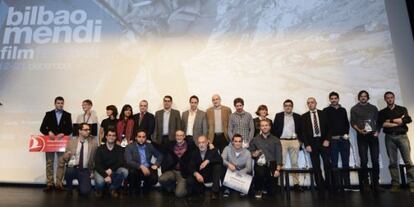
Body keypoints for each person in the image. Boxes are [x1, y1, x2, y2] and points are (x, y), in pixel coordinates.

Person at [378, 91, 414, 193]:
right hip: (389, 137)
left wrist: (390, 120)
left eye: (391, 97)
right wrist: (398, 121)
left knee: (408, 161)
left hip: (402, 136)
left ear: (394, 98)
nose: (390, 99)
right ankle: (395, 184)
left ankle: (412, 183)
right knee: (392, 162)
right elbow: (382, 124)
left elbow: (408, 119)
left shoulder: (402, 109)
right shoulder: (382, 112)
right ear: (385, 99)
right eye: (388, 98)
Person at [350, 90, 384, 192]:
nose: (363, 98)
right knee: (364, 161)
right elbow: (353, 122)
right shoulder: (354, 109)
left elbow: (378, 121)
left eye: (365, 96)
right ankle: (366, 183)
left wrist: (377, 131)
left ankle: (376, 183)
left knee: (375, 160)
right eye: (361, 96)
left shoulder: (373, 108)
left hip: (373, 136)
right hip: (362, 137)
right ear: (359, 98)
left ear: (368, 98)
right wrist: (359, 130)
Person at [39, 96, 73, 192]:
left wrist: (63, 133)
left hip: (61, 143)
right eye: (58, 103)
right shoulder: (48, 114)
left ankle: (59, 184)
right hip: (50, 142)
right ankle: (49, 184)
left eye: (62, 103)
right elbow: (42, 128)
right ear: (55, 104)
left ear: (63, 104)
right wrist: (48, 132)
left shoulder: (67, 115)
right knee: (49, 163)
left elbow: (70, 129)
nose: (60, 105)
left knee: (61, 163)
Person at [301, 97, 331, 196]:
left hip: (323, 142)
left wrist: (327, 139)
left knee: (327, 163)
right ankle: (320, 186)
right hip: (312, 143)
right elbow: (303, 132)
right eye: (308, 103)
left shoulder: (323, 114)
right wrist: (307, 144)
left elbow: (329, 128)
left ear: (316, 103)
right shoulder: (304, 116)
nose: (310, 104)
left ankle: (329, 184)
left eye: (312, 102)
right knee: (316, 166)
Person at [273, 99, 304, 192]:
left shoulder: (298, 116)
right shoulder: (278, 116)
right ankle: (279, 184)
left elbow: (302, 130)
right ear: (284, 107)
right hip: (282, 141)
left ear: (292, 106)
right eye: (286, 105)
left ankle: (296, 184)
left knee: (295, 163)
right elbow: (274, 129)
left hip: (294, 141)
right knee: (281, 163)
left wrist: (300, 141)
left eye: (289, 105)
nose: (288, 107)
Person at [323, 92, 351, 190]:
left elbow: (346, 123)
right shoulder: (326, 111)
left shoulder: (343, 110)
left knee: (346, 163)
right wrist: (329, 138)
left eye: (335, 98)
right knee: (334, 163)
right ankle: (337, 185)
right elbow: (325, 127)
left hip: (344, 139)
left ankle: (347, 185)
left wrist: (346, 134)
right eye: (332, 98)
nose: (334, 100)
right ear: (329, 100)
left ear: (338, 99)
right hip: (333, 140)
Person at [61, 123, 98, 197]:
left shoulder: (93, 143)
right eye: (86, 130)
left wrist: (93, 171)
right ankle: (69, 189)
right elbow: (64, 158)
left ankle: (81, 186)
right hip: (74, 168)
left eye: (89, 130)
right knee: (69, 171)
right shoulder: (71, 142)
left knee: (85, 192)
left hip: (85, 170)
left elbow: (95, 158)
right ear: (80, 131)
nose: (88, 131)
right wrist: (67, 155)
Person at [249, 119, 282, 199]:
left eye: (266, 125)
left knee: (272, 193)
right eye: (262, 125)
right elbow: (251, 152)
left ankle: (268, 187)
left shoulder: (276, 140)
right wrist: (254, 154)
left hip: (272, 164)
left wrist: (278, 169)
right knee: (260, 173)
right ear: (260, 127)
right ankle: (258, 189)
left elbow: (279, 155)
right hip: (260, 164)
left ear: (270, 127)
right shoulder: (255, 139)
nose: (264, 127)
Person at [159, 130, 196, 198]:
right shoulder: (170, 145)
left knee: (179, 194)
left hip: (183, 173)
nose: (179, 137)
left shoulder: (190, 146)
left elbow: (195, 157)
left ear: (184, 136)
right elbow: (160, 149)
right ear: (175, 136)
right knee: (161, 179)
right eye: (177, 135)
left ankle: (187, 189)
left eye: (181, 135)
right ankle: (172, 187)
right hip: (173, 170)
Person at [125, 129, 163, 194]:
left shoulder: (149, 146)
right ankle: (135, 188)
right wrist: (141, 166)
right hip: (136, 168)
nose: (141, 139)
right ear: (136, 137)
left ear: (145, 138)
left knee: (154, 179)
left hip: (147, 167)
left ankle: (146, 187)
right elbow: (129, 161)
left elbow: (160, 155)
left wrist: (156, 164)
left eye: (143, 137)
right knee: (132, 173)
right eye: (139, 137)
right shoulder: (129, 147)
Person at [94, 129, 128, 198]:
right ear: (106, 137)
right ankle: (99, 189)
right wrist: (105, 175)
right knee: (100, 184)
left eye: (113, 135)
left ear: (115, 137)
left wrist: (111, 170)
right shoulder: (100, 149)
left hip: (113, 170)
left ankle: (112, 188)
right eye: (109, 135)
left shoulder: (120, 149)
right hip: (101, 170)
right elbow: (97, 164)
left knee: (125, 171)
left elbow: (120, 162)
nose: (111, 137)